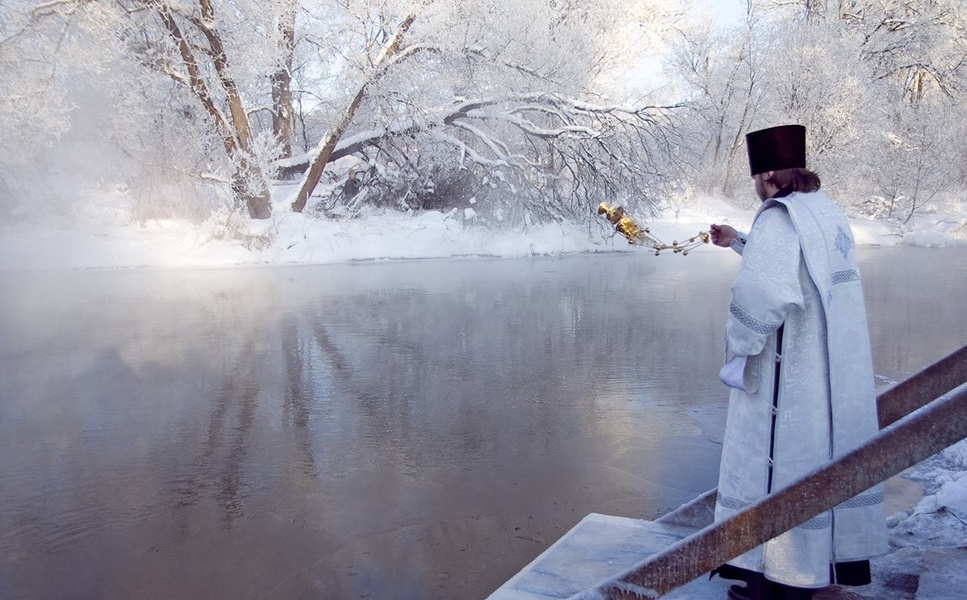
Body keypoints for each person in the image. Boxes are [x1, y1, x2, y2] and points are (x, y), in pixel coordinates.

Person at [708, 125, 887, 600]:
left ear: (768, 173)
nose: (755, 186)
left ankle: (778, 581)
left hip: (790, 379)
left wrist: (737, 344)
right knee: (818, 464)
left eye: (755, 177)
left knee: (778, 468)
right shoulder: (824, 212)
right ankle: (812, 572)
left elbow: (764, 292)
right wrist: (738, 241)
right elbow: (796, 265)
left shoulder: (779, 217)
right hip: (830, 376)